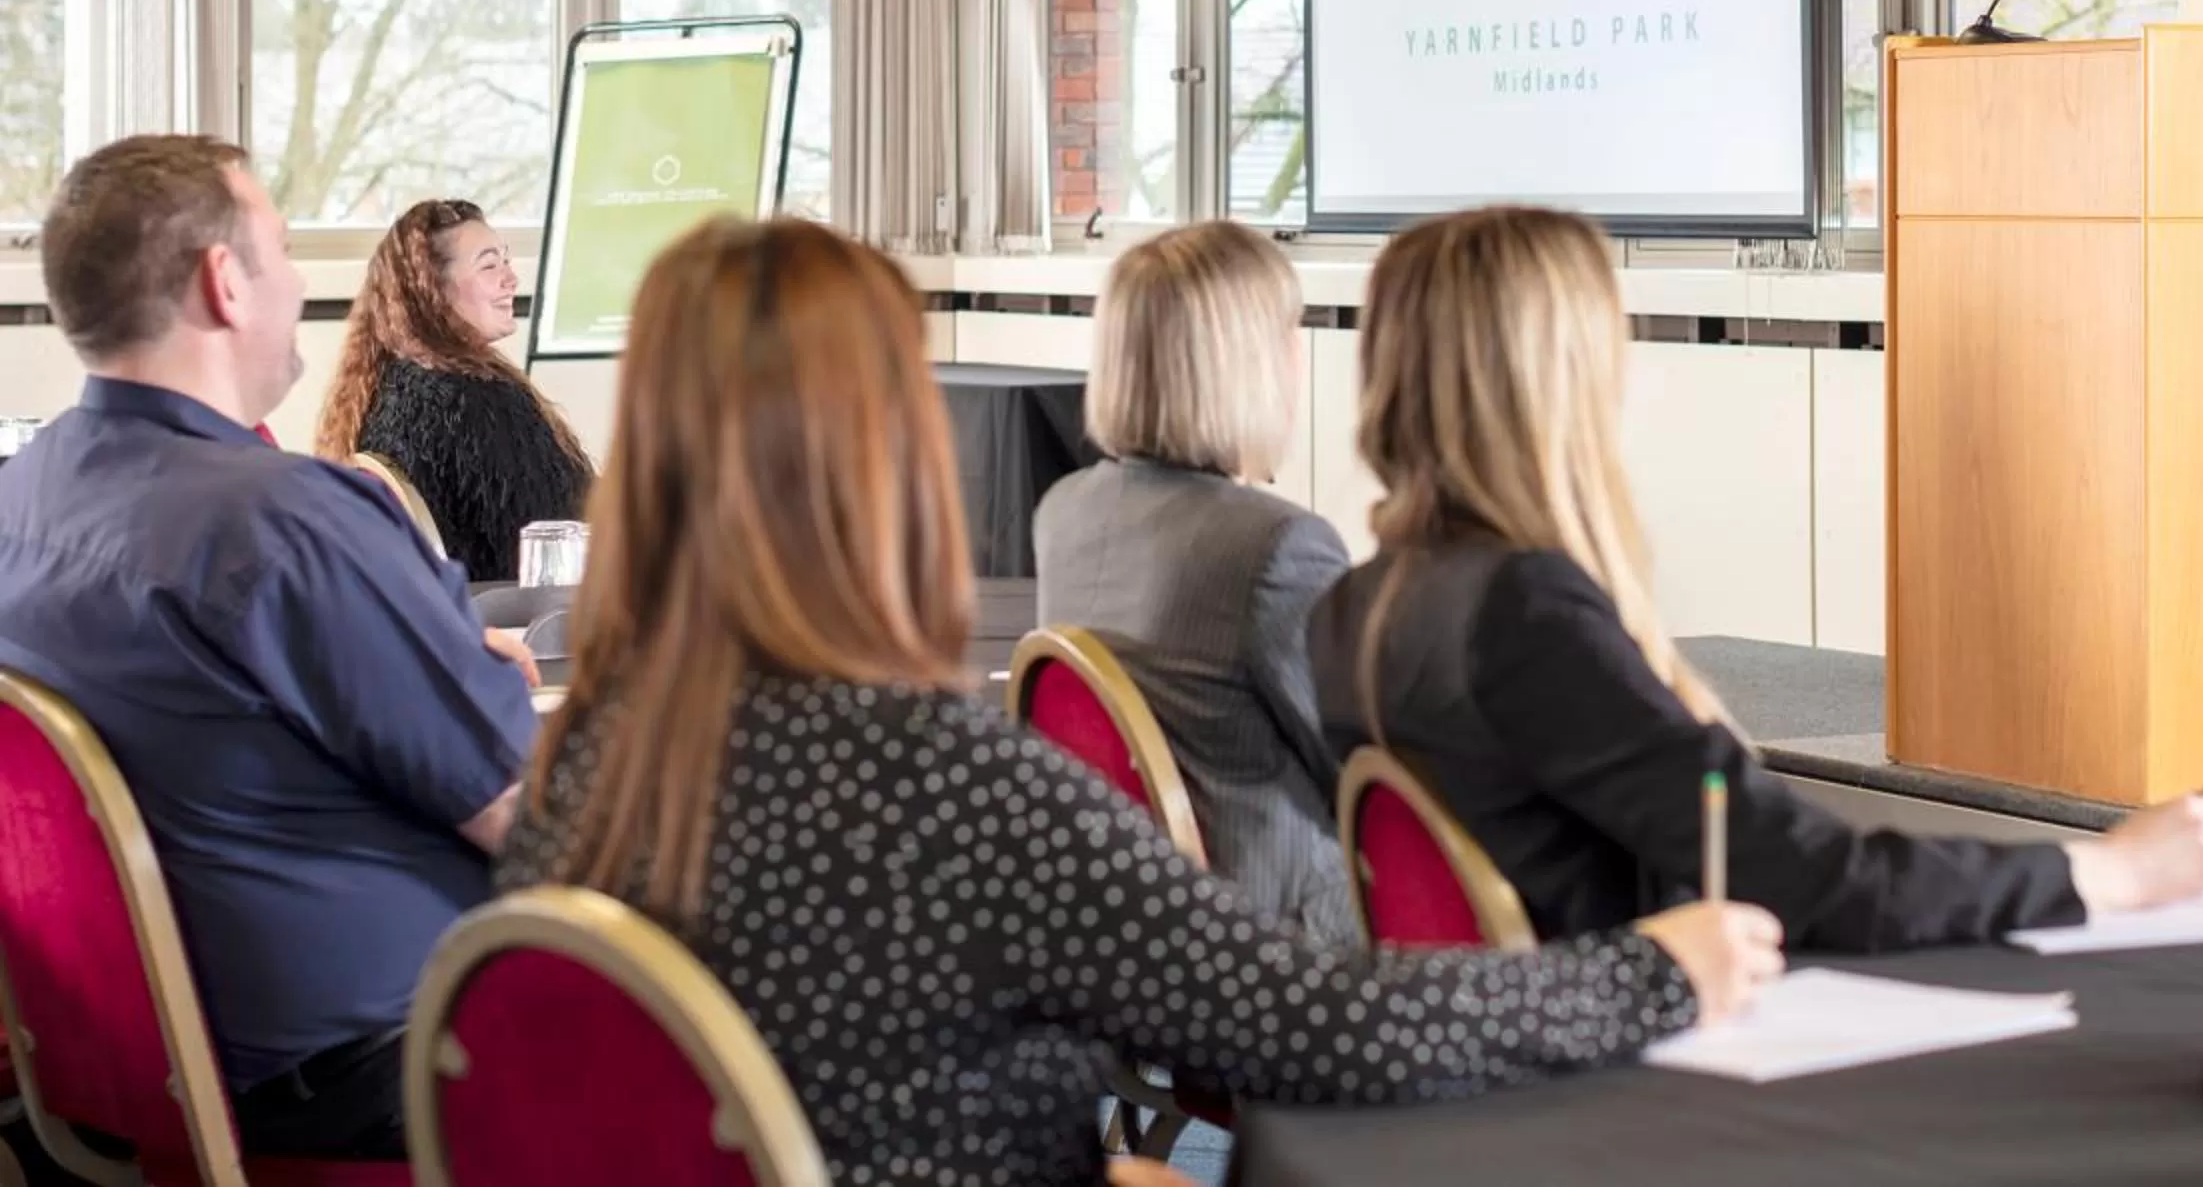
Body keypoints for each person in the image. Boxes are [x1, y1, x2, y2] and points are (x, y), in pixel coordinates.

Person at [499, 217, 1780, 1187]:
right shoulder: (943, 785)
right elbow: (1314, 1028)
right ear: (884, 459)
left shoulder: (592, 767)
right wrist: (1644, 976)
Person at [1308, 205, 2203, 952]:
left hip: (1496, 1061)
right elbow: (1807, 881)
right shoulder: (1525, 615)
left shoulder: (1357, 606)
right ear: (1564, 380)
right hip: (1631, 1063)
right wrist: (2106, 873)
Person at [0, 137, 539, 1160]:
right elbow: (524, 810)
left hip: (152, 1063)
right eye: (284, 249)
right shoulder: (286, 522)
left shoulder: (18, 504)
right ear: (225, 281)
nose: (300, 283)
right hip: (392, 1064)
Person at [1034, 220, 1357, 941]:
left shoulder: (1064, 513)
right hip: (1287, 941)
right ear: (1252, 360)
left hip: (1136, 927)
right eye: (1289, 332)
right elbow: (1368, 774)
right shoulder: (1276, 547)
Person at [315, 198, 592, 582]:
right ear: (433, 287)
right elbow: (553, 539)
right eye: (489, 265)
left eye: (507, 261)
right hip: (511, 623)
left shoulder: (383, 390)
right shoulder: (475, 400)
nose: (511, 279)